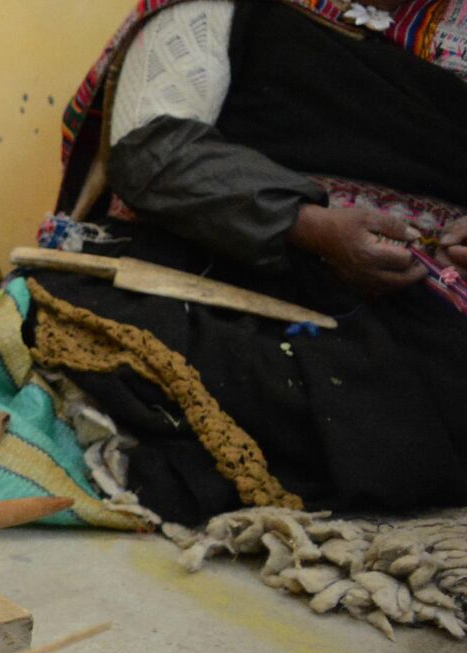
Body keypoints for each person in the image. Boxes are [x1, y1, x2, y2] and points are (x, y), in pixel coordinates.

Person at [35, 0, 467, 525]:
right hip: (223, 269)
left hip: (417, 313)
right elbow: (152, 149)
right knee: (111, 340)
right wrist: (307, 226)